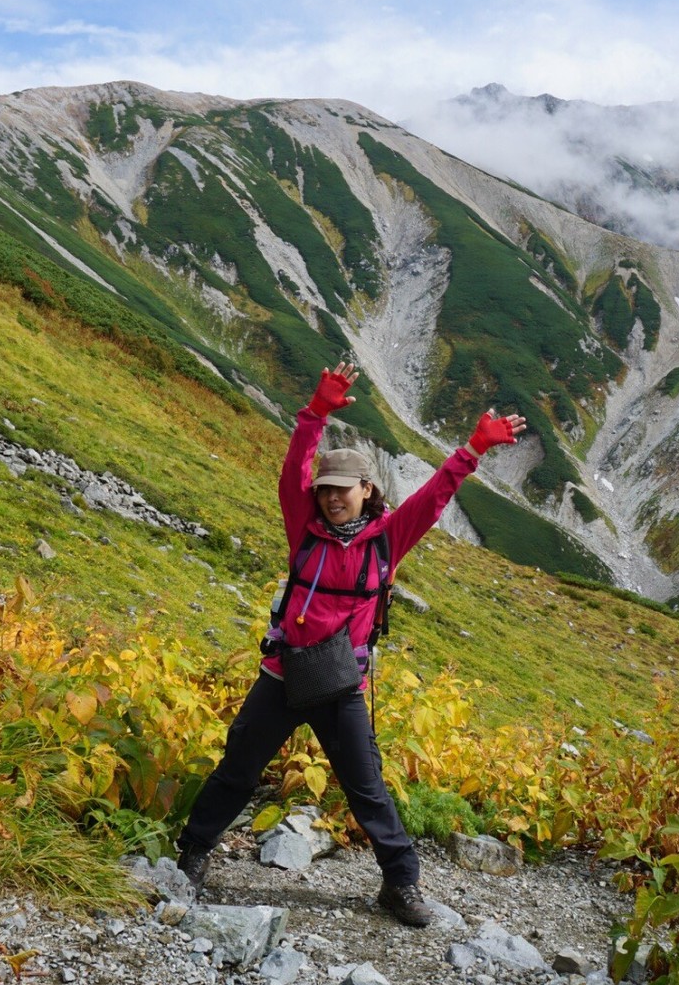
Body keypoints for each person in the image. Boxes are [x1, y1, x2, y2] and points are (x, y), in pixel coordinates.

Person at [176, 361, 527, 926]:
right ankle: (191, 854)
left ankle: (401, 885)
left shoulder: (389, 538)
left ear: (368, 490)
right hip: (283, 674)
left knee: (367, 790)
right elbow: (294, 472)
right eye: (326, 491)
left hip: (342, 685)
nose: (331, 499)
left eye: (342, 490)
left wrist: (472, 450)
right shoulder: (304, 527)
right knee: (238, 768)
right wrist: (314, 415)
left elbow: (435, 496)